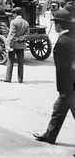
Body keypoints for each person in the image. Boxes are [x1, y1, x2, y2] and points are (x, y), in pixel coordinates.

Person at [33, 9, 75, 144]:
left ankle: (50, 136)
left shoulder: (63, 42)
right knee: (58, 110)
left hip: (69, 87)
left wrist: (64, 89)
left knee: (60, 109)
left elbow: (64, 70)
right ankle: (50, 136)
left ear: (58, 25)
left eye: (56, 23)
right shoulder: (71, 38)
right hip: (70, 87)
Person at [1, 7, 29, 83]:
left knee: (10, 61)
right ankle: (20, 79)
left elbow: (12, 35)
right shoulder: (26, 23)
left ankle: (8, 78)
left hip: (13, 45)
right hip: (21, 45)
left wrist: (9, 45)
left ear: (15, 13)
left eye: (13, 14)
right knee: (21, 62)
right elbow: (27, 35)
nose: (13, 15)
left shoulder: (13, 22)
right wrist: (19, 39)